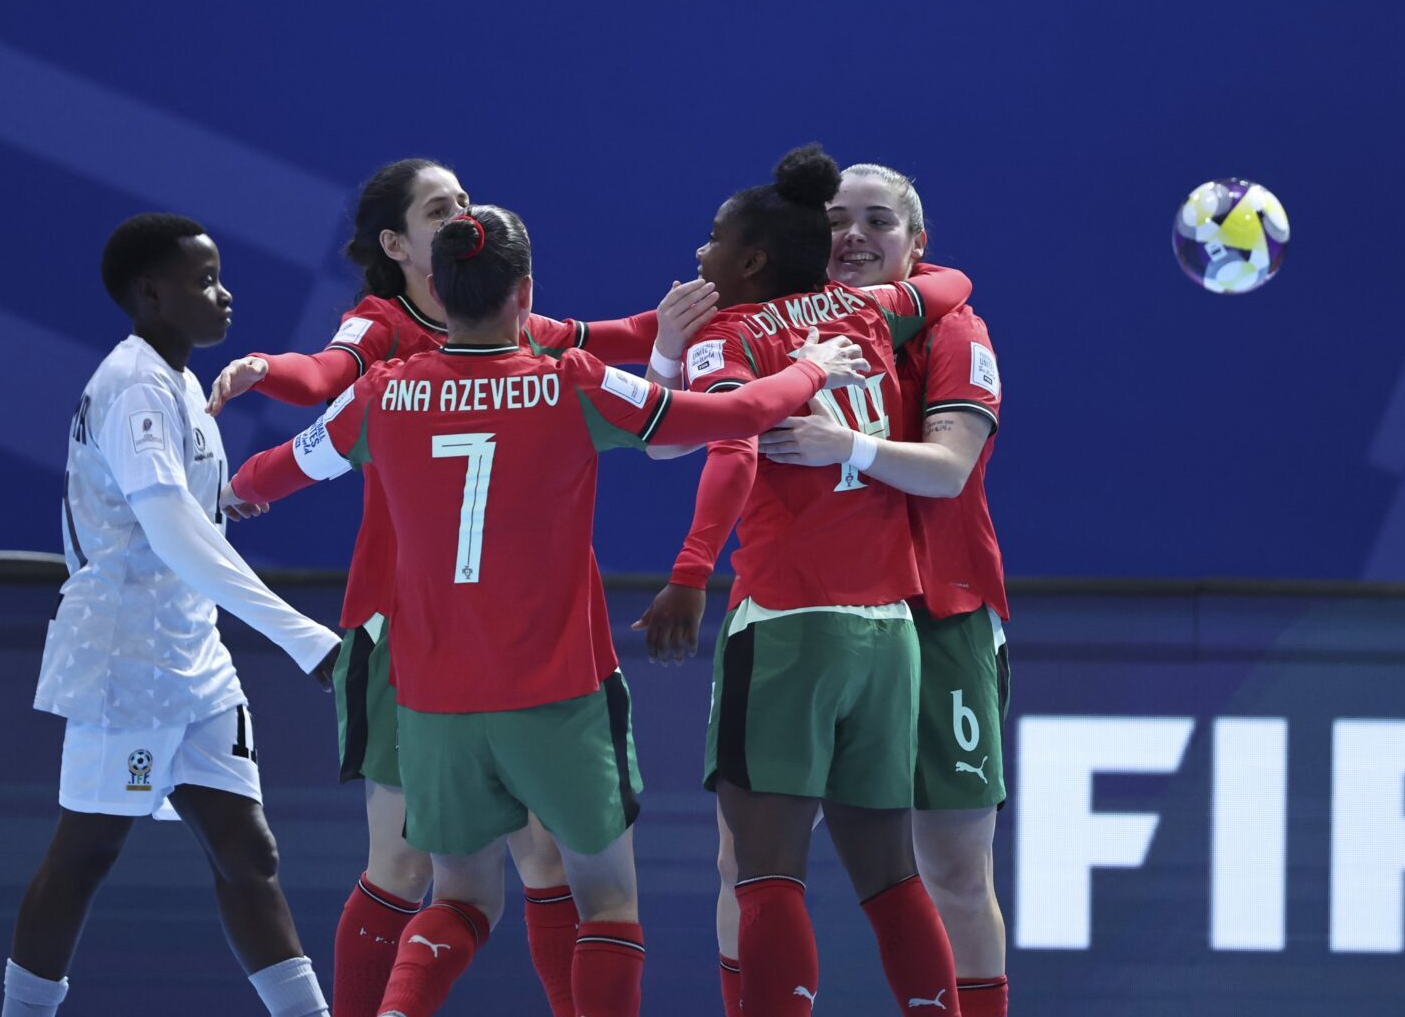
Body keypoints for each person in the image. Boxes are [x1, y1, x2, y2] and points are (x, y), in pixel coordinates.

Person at [229, 204, 872, 1017]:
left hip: (433, 705)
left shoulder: (381, 397)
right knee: (604, 901)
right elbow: (730, 418)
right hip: (557, 696)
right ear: (525, 293)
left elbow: (283, 469)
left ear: (438, 286)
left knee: (459, 898)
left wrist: (231, 491)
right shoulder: (570, 383)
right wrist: (812, 367)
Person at [202, 158, 716, 1017]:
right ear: (397, 246)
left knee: (547, 862)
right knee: (406, 867)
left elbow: (603, 336)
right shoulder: (380, 327)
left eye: (465, 204)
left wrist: (669, 324)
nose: (460, 217)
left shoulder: (513, 332)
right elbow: (323, 376)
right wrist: (266, 368)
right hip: (405, 627)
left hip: (496, 631)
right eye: (439, 210)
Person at [635, 145, 973, 1017]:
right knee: (892, 878)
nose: (698, 255)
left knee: (766, 875)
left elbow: (709, 443)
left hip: (789, 619)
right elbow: (951, 284)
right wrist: (671, 349)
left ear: (751, 258)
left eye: (712, 241)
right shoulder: (867, 312)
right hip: (889, 632)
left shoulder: (735, 335)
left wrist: (689, 572)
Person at [3, 213, 341, 1017]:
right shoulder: (134, 388)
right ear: (151, 292)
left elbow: (179, 515)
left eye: (219, 276)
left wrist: (220, 501)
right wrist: (309, 641)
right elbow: (170, 533)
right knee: (85, 853)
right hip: (126, 658)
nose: (223, 295)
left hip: (192, 653)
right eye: (204, 280)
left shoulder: (182, 382)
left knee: (247, 851)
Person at [742, 163, 1011, 1017]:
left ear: (916, 244)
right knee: (745, 864)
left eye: (878, 221)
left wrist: (844, 447)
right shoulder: (783, 325)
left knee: (954, 871)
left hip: (941, 620)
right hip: (818, 616)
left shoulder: (954, 331)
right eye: (836, 220)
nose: (853, 235)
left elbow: (950, 469)